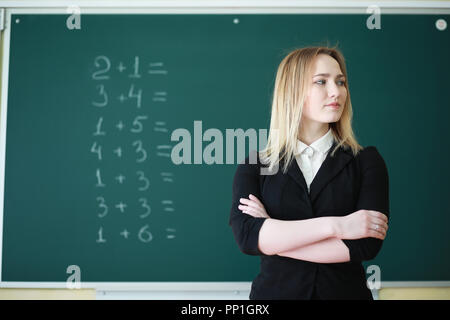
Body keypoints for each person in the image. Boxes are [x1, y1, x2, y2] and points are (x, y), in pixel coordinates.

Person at [229, 46, 390, 300]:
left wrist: (275, 234)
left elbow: (364, 245)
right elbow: (249, 237)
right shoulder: (255, 165)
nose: (336, 91)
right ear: (293, 91)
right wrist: (339, 225)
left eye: (340, 82)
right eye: (321, 82)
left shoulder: (367, 162)